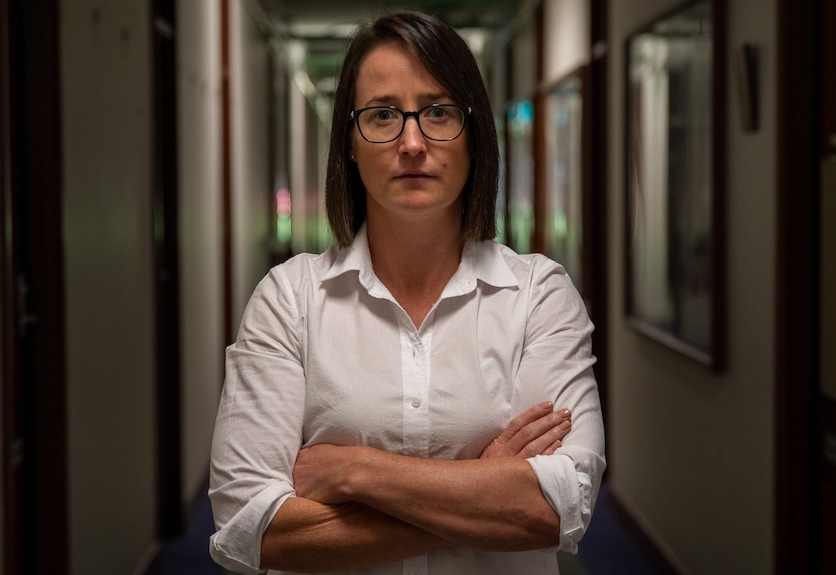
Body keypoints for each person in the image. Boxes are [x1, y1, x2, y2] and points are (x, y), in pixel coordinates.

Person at [208, 10, 605, 575]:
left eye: (439, 112)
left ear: (475, 138)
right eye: (383, 114)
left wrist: (354, 473)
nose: (413, 142)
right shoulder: (288, 299)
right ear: (348, 142)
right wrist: (483, 484)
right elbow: (254, 530)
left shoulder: (539, 293)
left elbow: (552, 513)